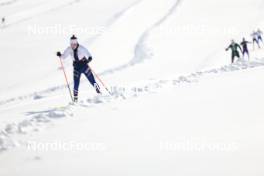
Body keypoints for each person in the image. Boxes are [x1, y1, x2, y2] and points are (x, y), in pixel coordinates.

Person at [57, 35, 101, 102]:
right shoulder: (69, 49)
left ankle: (98, 91)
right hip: (76, 68)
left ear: (76, 43)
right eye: (71, 44)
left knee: (91, 80)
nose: (73, 46)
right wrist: (60, 55)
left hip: (84, 66)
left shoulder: (81, 48)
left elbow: (89, 55)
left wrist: (89, 59)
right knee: (76, 83)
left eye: (74, 44)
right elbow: (64, 57)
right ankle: (75, 98)